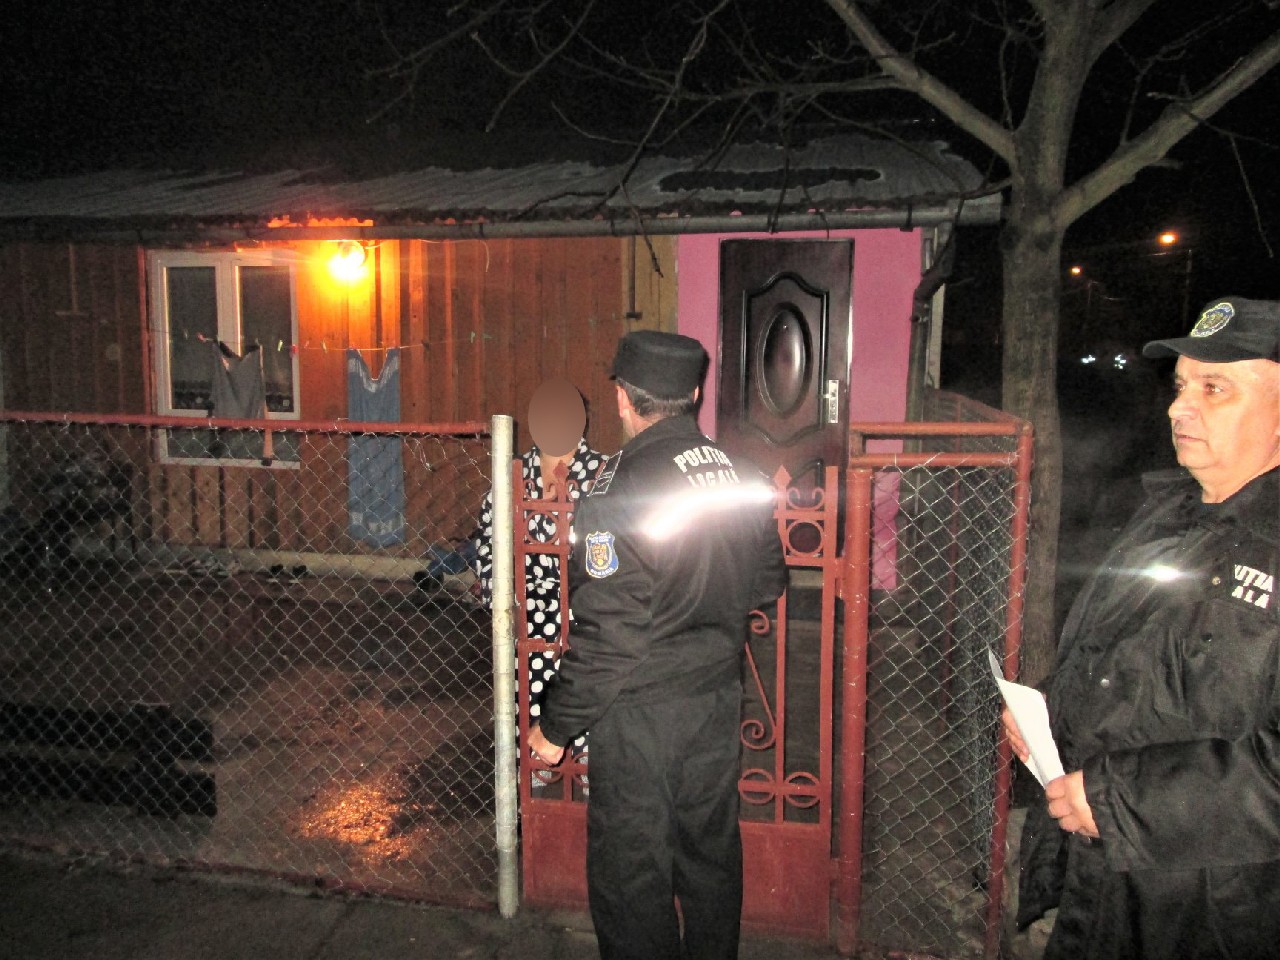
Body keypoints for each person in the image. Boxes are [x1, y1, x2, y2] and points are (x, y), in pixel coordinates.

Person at [1007, 296, 1280, 959]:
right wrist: (1050, 711)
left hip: (1213, 906)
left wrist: (1125, 800)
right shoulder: (1168, 513)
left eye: (1215, 388)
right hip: (1105, 874)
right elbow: (1120, 654)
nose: (1179, 407)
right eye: (1182, 385)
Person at [527, 330, 787, 960]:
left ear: (623, 397)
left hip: (641, 716)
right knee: (710, 859)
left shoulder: (617, 490)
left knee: (631, 879)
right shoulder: (742, 475)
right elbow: (767, 582)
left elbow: (609, 634)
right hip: (716, 703)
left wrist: (556, 726)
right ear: (693, 394)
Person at [473, 378, 606, 771]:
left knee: (587, 687)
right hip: (528, 612)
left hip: (586, 610)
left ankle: (589, 769)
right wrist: (501, 605)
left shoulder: (604, 473)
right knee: (529, 692)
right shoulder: (513, 475)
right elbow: (487, 544)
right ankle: (533, 771)